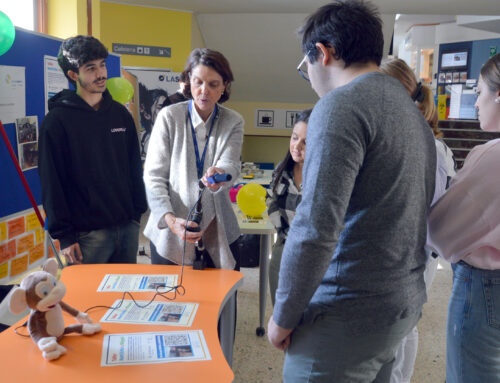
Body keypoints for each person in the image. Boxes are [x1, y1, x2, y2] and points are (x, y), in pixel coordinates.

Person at [267, 1, 437, 382]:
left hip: (346, 312)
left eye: (305, 64)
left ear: (323, 53)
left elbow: (315, 227)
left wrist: (283, 314)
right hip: (398, 304)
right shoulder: (408, 109)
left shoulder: (339, 106)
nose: (308, 75)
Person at [38, 35, 147, 265]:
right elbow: (52, 183)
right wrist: (65, 237)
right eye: (91, 68)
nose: (101, 74)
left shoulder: (120, 114)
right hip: (87, 236)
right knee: (88, 300)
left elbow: (133, 167)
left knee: (124, 298)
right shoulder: (56, 122)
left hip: (128, 226)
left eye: (102, 65)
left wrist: (138, 212)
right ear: (73, 75)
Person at [380, 58, 456, 383]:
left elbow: (427, 208)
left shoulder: (432, 148)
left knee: (404, 327)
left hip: (414, 252)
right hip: (398, 251)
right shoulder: (402, 140)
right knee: (399, 326)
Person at [428, 53, 500, 383]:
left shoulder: (490, 157)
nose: (475, 104)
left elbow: (441, 230)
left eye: (480, 92)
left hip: (484, 288)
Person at [143, 48, 244, 270]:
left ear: (225, 86)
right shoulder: (169, 117)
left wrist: (221, 174)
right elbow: (154, 176)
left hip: (219, 230)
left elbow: (231, 165)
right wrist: (169, 220)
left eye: (213, 84)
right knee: (172, 301)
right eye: (197, 82)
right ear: (189, 80)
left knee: (221, 301)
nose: (203, 91)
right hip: (170, 231)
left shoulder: (233, 121)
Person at [267, 108, 312, 305]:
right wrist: (283, 233)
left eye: (306, 142)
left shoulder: (324, 176)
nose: (297, 146)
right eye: (294, 138)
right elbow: (272, 202)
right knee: (279, 308)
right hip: (284, 244)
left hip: (313, 252)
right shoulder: (281, 170)